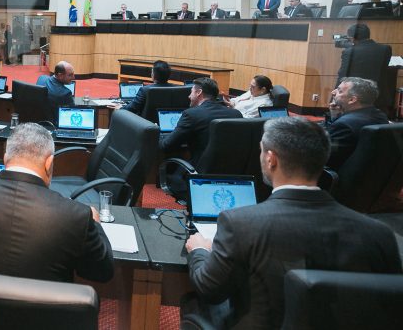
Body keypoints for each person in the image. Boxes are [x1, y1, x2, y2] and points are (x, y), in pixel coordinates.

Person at [184, 117, 401, 329]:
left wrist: (200, 250)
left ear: (271, 159)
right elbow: (389, 307)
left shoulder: (239, 223)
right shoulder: (379, 233)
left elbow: (209, 288)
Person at [0, 123, 114, 283]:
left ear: (5, 158)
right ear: (49, 163)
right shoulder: (77, 215)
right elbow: (102, 272)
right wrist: (95, 223)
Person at [159, 77, 242, 164]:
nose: (189, 96)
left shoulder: (191, 114)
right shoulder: (236, 114)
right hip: (233, 171)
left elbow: (167, 145)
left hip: (200, 173)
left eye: (191, 92)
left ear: (199, 92)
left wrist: (156, 135)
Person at [326, 77, 389, 170]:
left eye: (340, 91)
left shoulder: (344, 125)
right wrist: (335, 117)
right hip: (372, 176)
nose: (333, 92)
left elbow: (326, 157)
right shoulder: (380, 116)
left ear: (352, 100)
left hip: (336, 179)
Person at [336, 23, 392, 91]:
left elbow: (343, 75)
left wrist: (336, 92)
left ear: (352, 38)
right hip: (379, 91)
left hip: (356, 92)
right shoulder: (386, 49)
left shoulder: (349, 52)